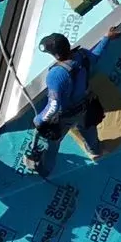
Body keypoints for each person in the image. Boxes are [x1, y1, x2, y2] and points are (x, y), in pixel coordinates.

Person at [26, 32, 105, 175]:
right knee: (89, 131)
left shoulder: (56, 75)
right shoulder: (83, 55)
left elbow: (53, 106)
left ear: (55, 56)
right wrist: (107, 38)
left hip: (65, 116)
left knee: (53, 143)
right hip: (86, 106)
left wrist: (38, 120)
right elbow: (97, 55)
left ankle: (46, 168)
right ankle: (95, 150)